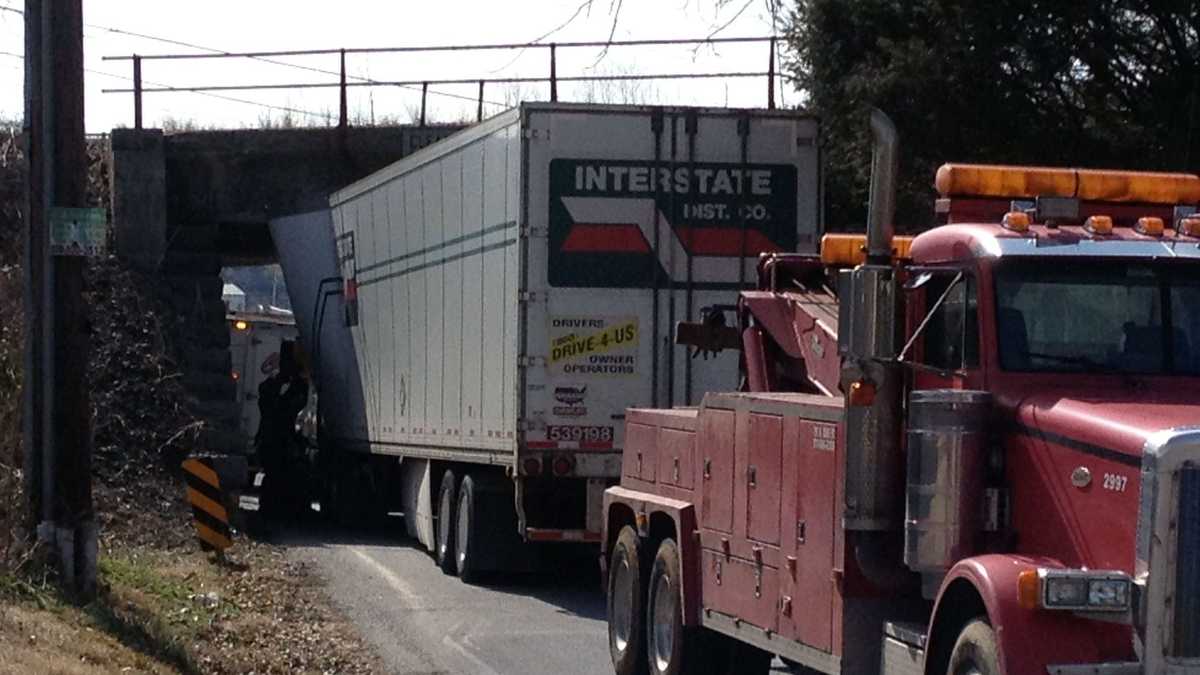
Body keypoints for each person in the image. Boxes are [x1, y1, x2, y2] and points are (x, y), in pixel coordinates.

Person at [255, 341, 309, 514]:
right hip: (275, 441)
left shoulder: (281, 390)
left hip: (276, 440)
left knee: (277, 477)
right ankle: (272, 509)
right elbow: (280, 406)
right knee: (275, 477)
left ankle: (274, 508)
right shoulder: (273, 392)